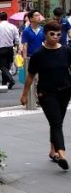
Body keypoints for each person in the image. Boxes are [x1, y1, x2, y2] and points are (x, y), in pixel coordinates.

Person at [21, 19, 71, 170]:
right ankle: (62, 154)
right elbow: (30, 76)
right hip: (46, 93)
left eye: (58, 34)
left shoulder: (66, 50)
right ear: (45, 34)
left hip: (65, 91)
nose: (55, 36)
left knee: (56, 122)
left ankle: (52, 151)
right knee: (56, 122)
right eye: (52, 34)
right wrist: (24, 95)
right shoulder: (38, 55)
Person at [0, 11, 19, 89]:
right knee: (7, 65)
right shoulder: (13, 26)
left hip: (0, 48)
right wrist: (17, 47)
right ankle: (4, 84)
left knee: (2, 66)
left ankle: (10, 80)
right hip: (10, 48)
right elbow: (16, 38)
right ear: (7, 17)